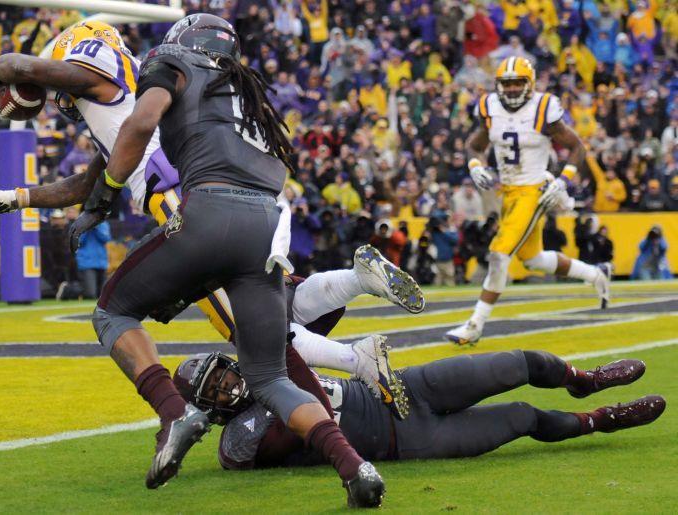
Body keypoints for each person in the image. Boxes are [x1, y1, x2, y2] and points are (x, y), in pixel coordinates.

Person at [65, 15, 386, 506]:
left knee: (112, 311)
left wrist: (105, 194)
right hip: (263, 224)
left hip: (210, 211)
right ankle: (353, 465)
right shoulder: (246, 93)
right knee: (271, 378)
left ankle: (173, 412)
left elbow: (143, 120)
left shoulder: (170, 61)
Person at [174, 348, 664, 468]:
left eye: (225, 373)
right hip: (406, 441)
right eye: (215, 389)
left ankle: (584, 381)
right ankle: (603, 420)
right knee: (523, 417)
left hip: (404, 389)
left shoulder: (266, 367)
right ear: (207, 409)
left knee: (514, 363)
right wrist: (280, 347)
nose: (229, 384)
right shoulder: (238, 442)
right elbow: (313, 412)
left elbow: (314, 320)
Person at [446, 57, 611, 346]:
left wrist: (562, 180)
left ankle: (475, 324)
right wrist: (474, 165)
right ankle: (597, 273)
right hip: (508, 191)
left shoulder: (543, 107)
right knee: (532, 259)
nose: (510, 89)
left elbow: (577, 147)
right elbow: (475, 144)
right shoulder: (490, 107)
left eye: (517, 83)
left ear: (529, 83)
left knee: (499, 254)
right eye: (506, 83)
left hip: (534, 189)